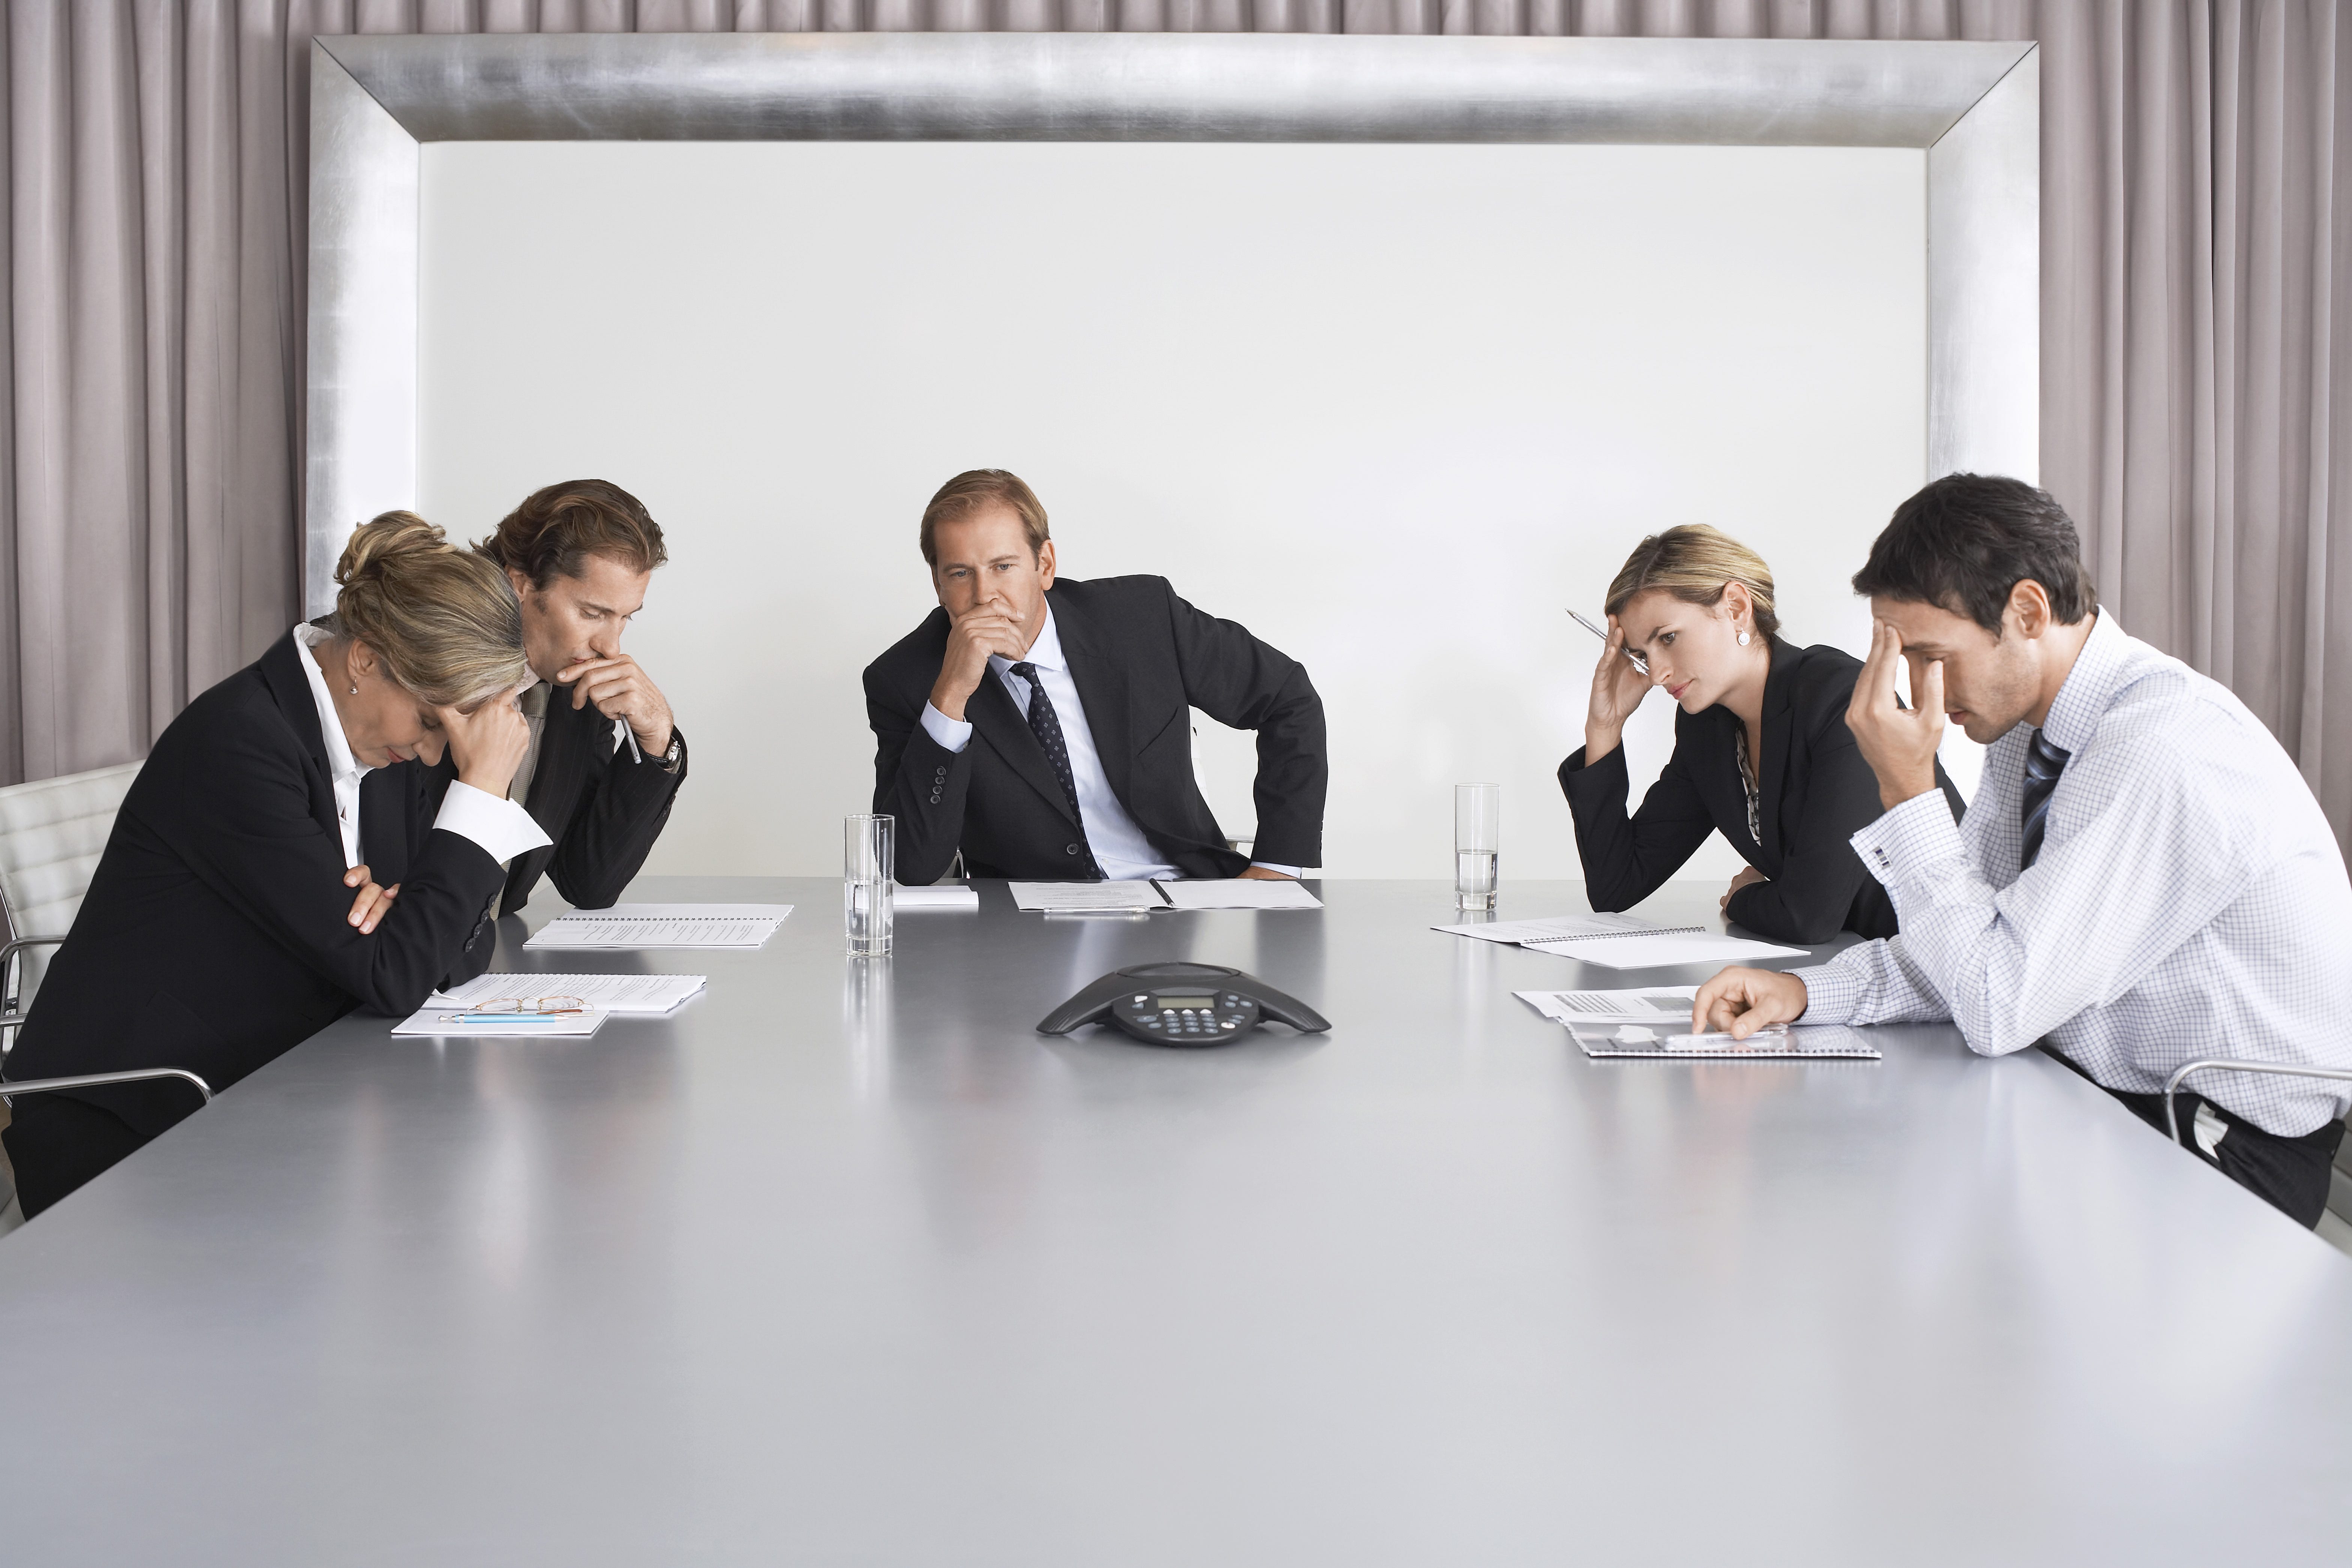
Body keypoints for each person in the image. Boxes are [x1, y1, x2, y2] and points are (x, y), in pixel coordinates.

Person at [1693, 474, 2352, 1226]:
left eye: (1929, 655)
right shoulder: (2028, 731)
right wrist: (1812, 994)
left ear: (2028, 611)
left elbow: (1995, 1000)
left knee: (1866, 1211)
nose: (1917, 689)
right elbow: (1973, 939)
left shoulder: (2157, 749)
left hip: (2211, 1148)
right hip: (2103, 1092)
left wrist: (1909, 792)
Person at [0, 513, 549, 1217]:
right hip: (137, 1127)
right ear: (367, 660)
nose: (437, 756)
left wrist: (403, 929)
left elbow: (442, 952)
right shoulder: (239, 745)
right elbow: (399, 971)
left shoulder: (378, 736)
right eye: (434, 724)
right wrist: (478, 797)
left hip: (275, 1083)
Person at [863, 469, 1327, 886]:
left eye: (1003, 567)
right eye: (961, 573)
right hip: (1023, 930)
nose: (985, 595)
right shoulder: (904, 679)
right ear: (938, 584)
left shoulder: (1143, 618)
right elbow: (910, 865)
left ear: (1044, 565)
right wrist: (950, 695)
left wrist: (1278, 864)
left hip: (1181, 897)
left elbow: (1288, 699)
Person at [1562, 525, 1964, 943]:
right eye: (1643, 654)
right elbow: (1616, 885)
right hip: (1861, 971)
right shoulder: (1707, 727)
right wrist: (1605, 727)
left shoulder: (1839, 699)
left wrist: (1743, 897)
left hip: (1961, 962)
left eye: (1668, 638)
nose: (1659, 672)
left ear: (1736, 607)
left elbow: (1807, 918)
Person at [461, 479, 687, 916]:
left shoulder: (576, 693)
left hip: (495, 971)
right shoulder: (428, 668)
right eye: (591, 613)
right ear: (521, 583)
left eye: (625, 618)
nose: (611, 647)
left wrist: (656, 738)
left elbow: (587, 882)